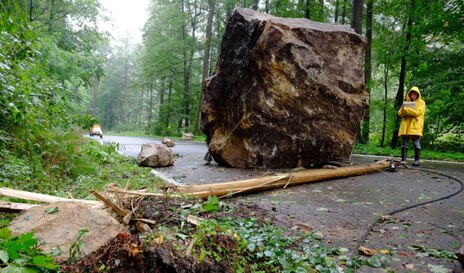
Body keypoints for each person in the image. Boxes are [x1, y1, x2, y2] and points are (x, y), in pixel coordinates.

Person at [398, 86, 426, 166]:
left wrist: (407, 110)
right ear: (409, 95)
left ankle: (417, 160)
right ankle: (403, 160)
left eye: (415, 94)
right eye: (412, 94)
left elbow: (417, 113)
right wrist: (405, 110)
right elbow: (400, 113)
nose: (413, 95)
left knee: (416, 142)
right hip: (406, 126)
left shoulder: (422, 103)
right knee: (404, 143)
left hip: (415, 125)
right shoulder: (406, 102)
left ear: (417, 95)